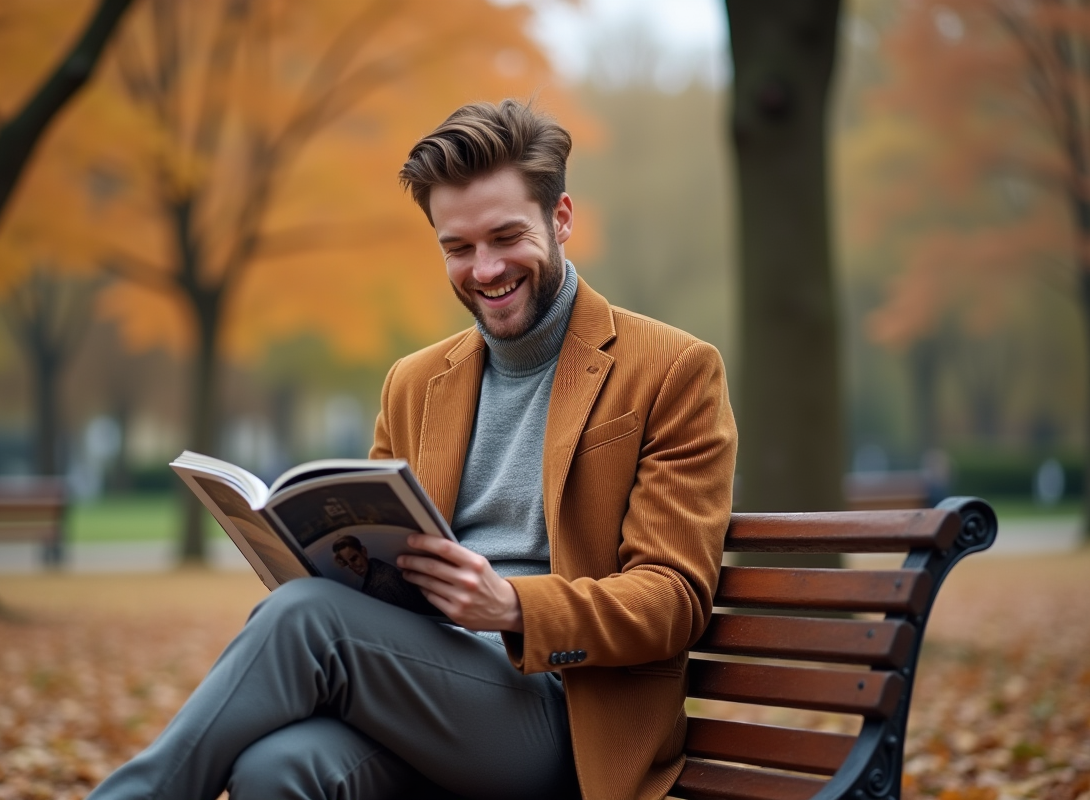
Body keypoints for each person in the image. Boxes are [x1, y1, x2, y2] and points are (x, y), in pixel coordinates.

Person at [87, 99, 737, 800]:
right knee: (278, 769)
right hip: (428, 697)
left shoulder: (672, 370)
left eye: (506, 237)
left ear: (561, 219)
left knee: (309, 619)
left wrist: (512, 605)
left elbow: (674, 599)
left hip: (570, 719)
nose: (485, 269)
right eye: (458, 248)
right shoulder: (414, 383)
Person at [331, 534, 437, 614]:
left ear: (363, 551)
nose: (353, 567)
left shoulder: (382, 585)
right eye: (347, 563)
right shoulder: (376, 568)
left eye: (354, 559)